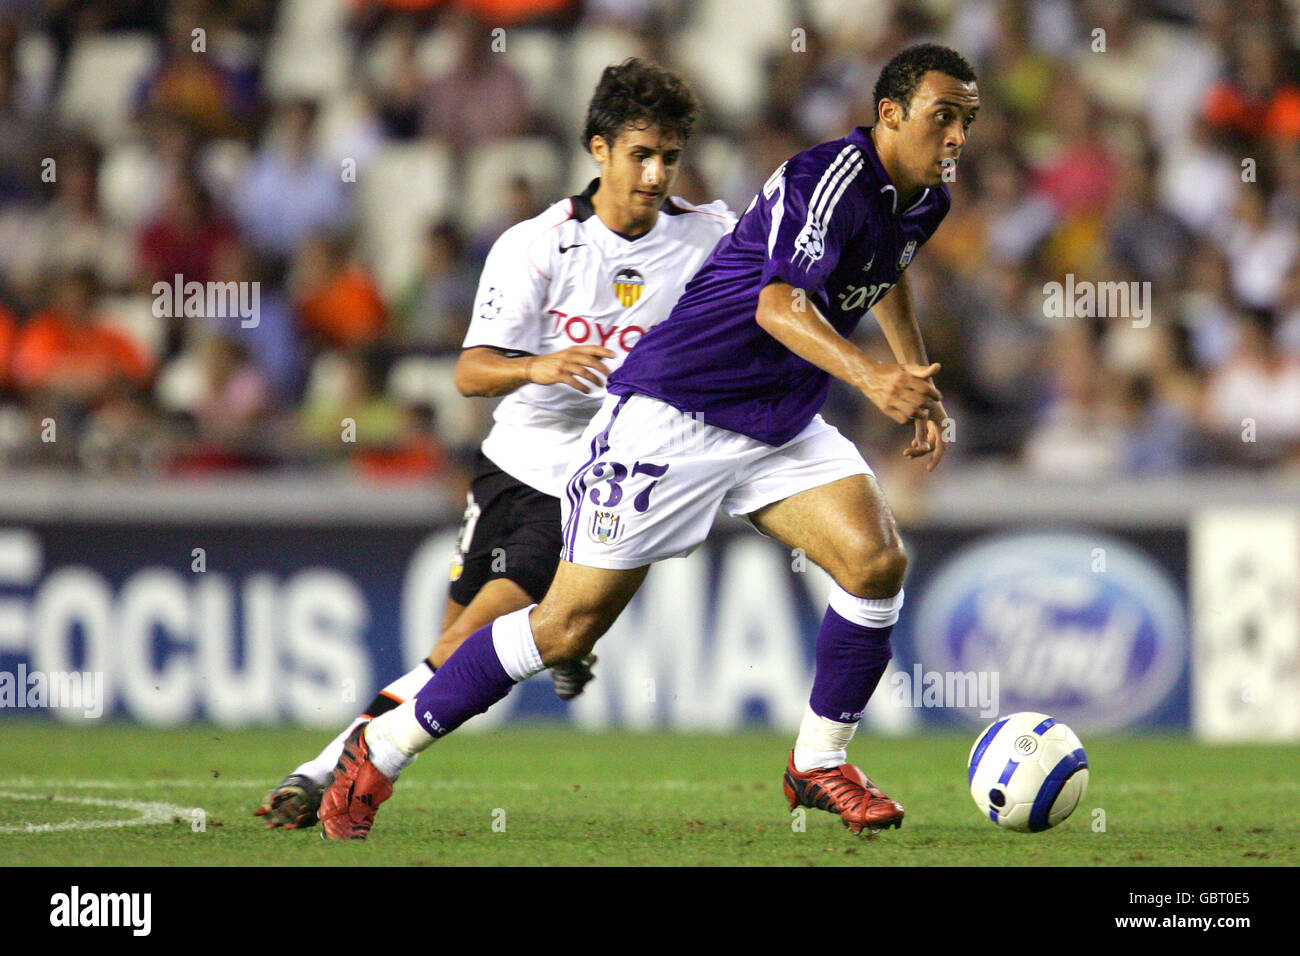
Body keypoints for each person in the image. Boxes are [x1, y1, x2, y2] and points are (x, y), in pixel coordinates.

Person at [318, 43, 979, 841]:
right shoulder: (827, 178)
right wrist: (877, 382)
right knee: (565, 627)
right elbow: (776, 305)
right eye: (943, 117)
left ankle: (818, 763)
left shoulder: (923, 198)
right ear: (890, 114)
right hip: (678, 413)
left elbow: (887, 266)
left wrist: (913, 369)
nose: (956, 138)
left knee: (876, 561)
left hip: (775, 417)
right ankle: (381, 749)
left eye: (967, 121)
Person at [255, 58, 734, 829]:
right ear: (599, 149)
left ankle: (327, 770)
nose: (654, 173)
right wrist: (542, 364)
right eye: (640, 153)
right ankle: (567, 637)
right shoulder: (537, 244)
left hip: (602, 480)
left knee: (470, 640)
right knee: (451, 647)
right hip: (509, 468)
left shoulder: (710, 238)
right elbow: (471, 374)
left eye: (669, 157)